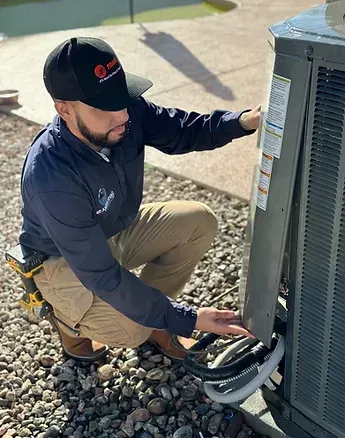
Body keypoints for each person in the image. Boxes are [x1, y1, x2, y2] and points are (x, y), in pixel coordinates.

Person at [19, 37, 260, 362]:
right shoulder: (51, 177)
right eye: (105, 106)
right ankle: (67, 322)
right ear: (64, 109)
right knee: (132, 330)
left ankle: (158, 321)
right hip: (62, 259)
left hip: (111, 230)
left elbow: (185, 130)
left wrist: (244, 121)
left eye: (121, 97)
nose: (121, 114)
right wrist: (189, 318)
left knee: (198, 221)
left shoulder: (125, 112)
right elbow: (99, 273)